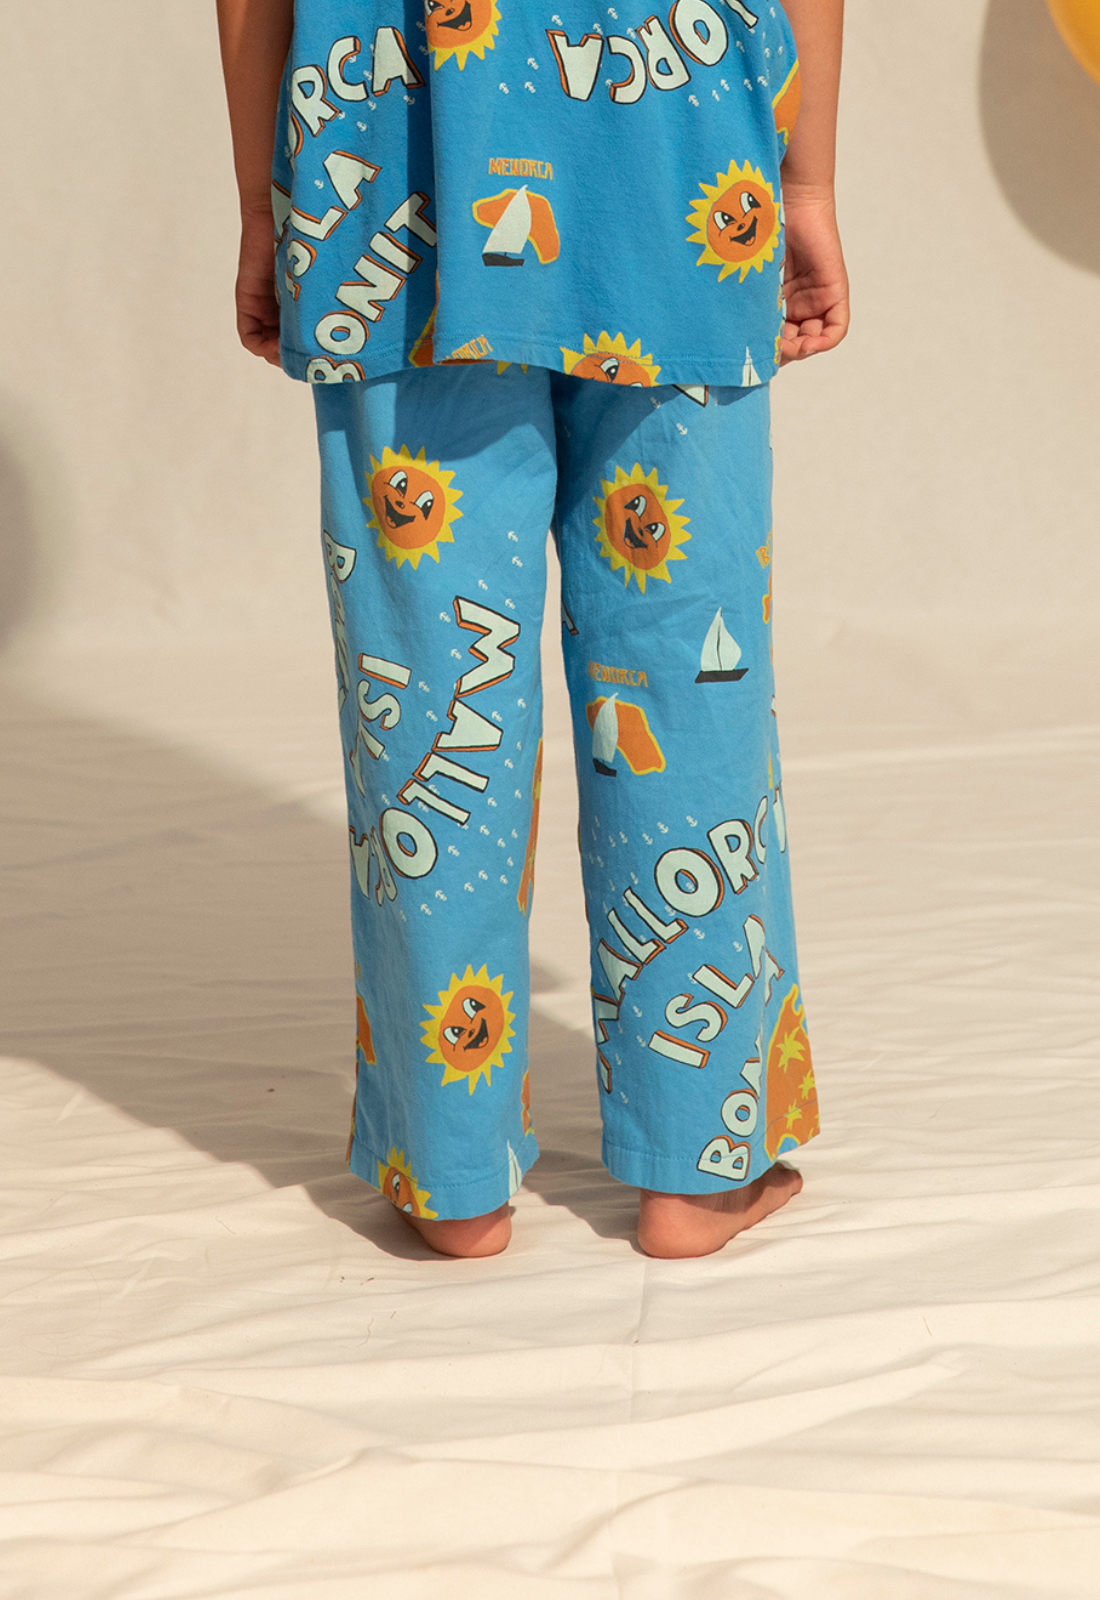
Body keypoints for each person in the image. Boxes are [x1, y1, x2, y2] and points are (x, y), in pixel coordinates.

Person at [216, 0, 848, 1260]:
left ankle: (450, 1172)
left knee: (428, 687)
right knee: (684, 678)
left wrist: (260, 203)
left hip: (392, 173)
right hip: (675, 169)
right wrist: (807, 183)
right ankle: (699, 1159)